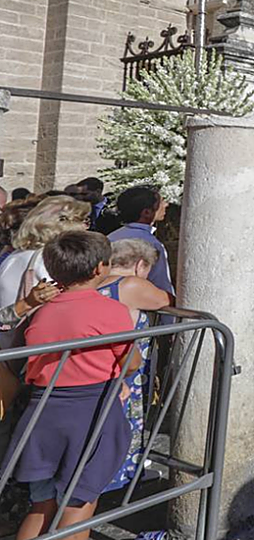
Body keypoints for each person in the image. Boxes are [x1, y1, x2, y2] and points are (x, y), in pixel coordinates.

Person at [4, 231, 140, 540]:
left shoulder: (39, 312)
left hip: (42, 415)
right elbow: (131, 362)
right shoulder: (111, 311)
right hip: (89, 412)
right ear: (100, 269)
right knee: (77, 507)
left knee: (41, 506)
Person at [97, 240, 171, 492]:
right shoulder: (130, 284)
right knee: (127, 420)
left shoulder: (98, 281)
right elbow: (168, 299)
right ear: (140, 265)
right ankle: (121, 475)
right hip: (127, 363)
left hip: (103, 363)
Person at [0, 196, 91, 349]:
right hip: (23, 347)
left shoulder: (17, 254)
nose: (87, 227)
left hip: (7, 342)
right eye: (84, 221)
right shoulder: (46, 259)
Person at [107, 186, 174, 298]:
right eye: (161, 202)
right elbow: (161, 282)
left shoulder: (110, 237)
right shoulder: (152, 244)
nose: (166, 205)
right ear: (147, 212)